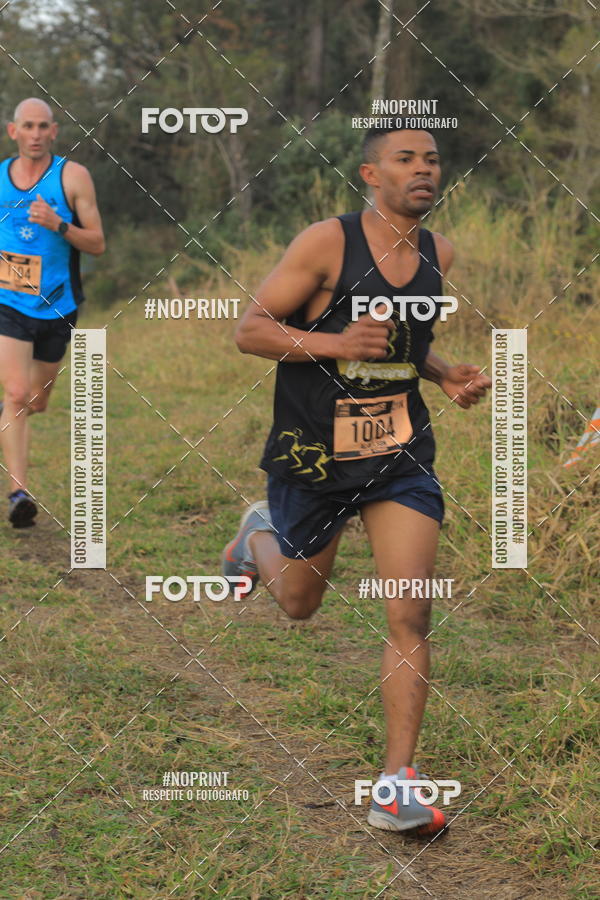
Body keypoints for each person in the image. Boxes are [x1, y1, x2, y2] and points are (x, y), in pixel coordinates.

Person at [222, 126, 491, 833]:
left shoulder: (441, 254)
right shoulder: (326, 243)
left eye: (431, 159)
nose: (423, 170)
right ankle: (259, 537)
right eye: (406, 159)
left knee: (411, 607)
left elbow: (408, 339)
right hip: (314, 452)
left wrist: (445, 373)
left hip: (401, 453)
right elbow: (251, 330)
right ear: (372, 173)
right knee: (300, 603)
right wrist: (337, 343)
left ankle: (394, 786)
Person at [0, 97, 105, 527]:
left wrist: (58, 224)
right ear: (14, 132)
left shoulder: (73, 177)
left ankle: (11, 414)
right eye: (28, 126)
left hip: (57, 307)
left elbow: (97, 243)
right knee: (17, 395)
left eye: (44, 126)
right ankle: (18, 493)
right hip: (8, 303)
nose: (36, 134)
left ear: (54, 131)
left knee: (37, 402)